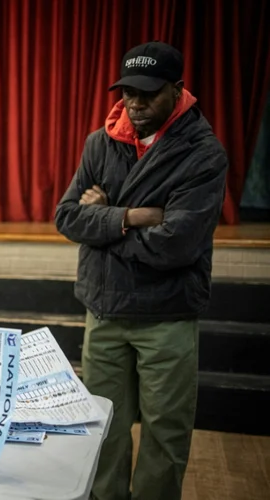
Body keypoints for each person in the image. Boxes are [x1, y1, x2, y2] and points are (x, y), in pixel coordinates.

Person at [55, 41, 228, 500]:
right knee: (103, 427)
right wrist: (131, 216)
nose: (135, 102)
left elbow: (177, 244)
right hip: (105, 310)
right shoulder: (100, 141)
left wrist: (106, 220)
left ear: (177, 90)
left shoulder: (204, 154)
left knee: (164, 433)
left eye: (149, 93)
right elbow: (68, 217)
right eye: (128, 90)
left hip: (167, 314)